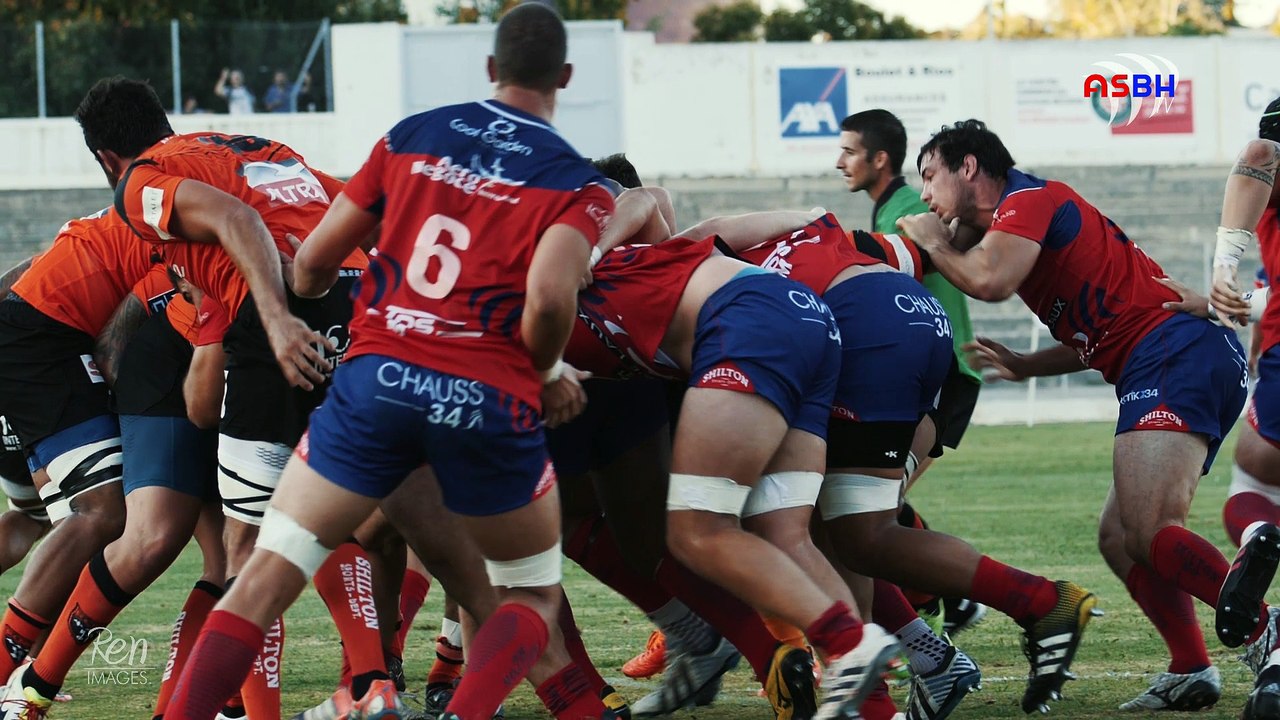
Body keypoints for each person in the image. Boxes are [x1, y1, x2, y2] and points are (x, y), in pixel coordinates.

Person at [161, 5, 619, 720]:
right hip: (482, 395)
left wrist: (308, 293)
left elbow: (313, 264)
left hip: (378, 382)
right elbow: (551, 301)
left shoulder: (411, 135)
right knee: (526, 596)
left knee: (263, 577)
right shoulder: (576, 182)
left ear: (491, 68)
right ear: (564, 76)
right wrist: (550, 371)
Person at [901, 119, 1254, 715]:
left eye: (930, 176)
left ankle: (1265, 631)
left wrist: (934, 242)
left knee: (1148, 530)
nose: (926, 194)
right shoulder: (1024, 218)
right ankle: (1191, 667)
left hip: (1175, 352)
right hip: (1176, 354)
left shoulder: (1029, 200)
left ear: (969, 167)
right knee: (1120, 539)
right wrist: (1028, 365)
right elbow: (1097, 335)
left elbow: (989, 280)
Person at [837, 109, 987, 638]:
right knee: (867, 505)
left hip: (938, 373)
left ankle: (937, 605)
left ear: (879, 159)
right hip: (930, 372)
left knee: (864, 516)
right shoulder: (893, 209)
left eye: (849, 151)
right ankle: (949, 599)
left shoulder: (905, 212)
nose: (840, 162)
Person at [1208, 96, 1280, 719]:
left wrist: (1222, 268)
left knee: (1252, 488)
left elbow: (1259, 154)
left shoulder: (1268, 156)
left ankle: (1258, 536)